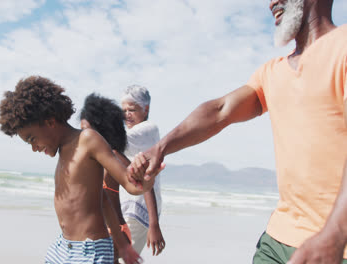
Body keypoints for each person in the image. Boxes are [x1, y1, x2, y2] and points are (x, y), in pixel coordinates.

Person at [131, 0, 347, 263]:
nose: (271, 3)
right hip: (278, 240)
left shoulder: (343, 46)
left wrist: (334, 235)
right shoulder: (272, 72)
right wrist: (161, 148)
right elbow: (220, 111)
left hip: (336, 245)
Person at [0, 76, 152, 263]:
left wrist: (145, 177)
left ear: (50, 121)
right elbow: (101, 197)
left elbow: (133, 186)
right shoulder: (63, 153)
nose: (34, 147)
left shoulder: (87, 140)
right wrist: (121, 243)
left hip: (89, 251)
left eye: (32, 139)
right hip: (62, 247)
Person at [80, 93, 140, 264]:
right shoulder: (93, 159)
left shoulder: (114, 156)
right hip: (103, 232)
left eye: (85, 131)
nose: (81, 136)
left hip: (114, 232)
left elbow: (139, 183)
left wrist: (154, 225)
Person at [119, 85, 166, 258]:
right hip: (127, 210)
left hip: (138, 212)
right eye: (123, 110)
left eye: (132, 109)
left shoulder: (148, 128)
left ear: (146, 109)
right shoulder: (133, 131)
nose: (126, 114)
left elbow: (147, 178)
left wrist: (154, 224)